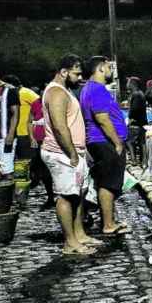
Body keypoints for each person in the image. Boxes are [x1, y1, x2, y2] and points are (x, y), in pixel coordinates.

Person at [41, 55, 101, 255]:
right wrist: (72, 154)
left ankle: (79, 234)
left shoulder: (64, 91)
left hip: (74, 152)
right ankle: (70, 242)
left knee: (79, 194)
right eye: (76, 72)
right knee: (66, 196)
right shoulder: (57, 93)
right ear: (64, 72)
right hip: (62, 153)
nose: (80, 76)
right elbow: (59, 127)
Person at [80, 56, 130, 235]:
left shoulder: (89, 89)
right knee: (108, 184)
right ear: (100, 68)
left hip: (99, 141)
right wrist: (117, 142)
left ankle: (110, 220)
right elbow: (102, 119)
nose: (111, 71)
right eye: (109, 67)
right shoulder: (97, 89)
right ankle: (108, 224)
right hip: (104, 141)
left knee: (107, 182)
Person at [28, 86, 55, 208]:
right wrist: (32, 138)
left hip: (53, 141)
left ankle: (59, 196)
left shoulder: (55, 103)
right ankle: (50, 197)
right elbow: (30, 121)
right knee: (43, 170)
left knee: (53, 169)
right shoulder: (35, 104)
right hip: (39, 141)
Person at [4, 75, 39, 164]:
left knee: (25, 162)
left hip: (25, 134)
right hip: (13, 134)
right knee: (15, 162)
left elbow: (40, 105)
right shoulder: (8, 94)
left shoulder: (25, 92)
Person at [0, 73, 21, 181]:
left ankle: (8, 197)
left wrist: (11, 134)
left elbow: (15, 114)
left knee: (7, 171)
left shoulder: (10, 90)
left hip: (5, 136)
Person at [126, 77, 148, 167]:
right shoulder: (140, 94)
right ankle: (143, 162)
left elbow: (134, 109)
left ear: (132, 84)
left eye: (128, 82)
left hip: (136, 123)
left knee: (129, 141)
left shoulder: (136, 95)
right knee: (141, 142)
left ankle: (134, 160)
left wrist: (130, 117)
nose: (127, 84)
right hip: (141, 122)